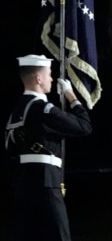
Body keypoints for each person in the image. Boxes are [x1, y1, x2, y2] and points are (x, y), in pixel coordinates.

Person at [5, 54, 93, 241]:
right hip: (46, 183)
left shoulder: (17, 110)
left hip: (21, 182)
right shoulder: (42, 109)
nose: (52, 79)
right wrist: (71, 96)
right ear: (38, 79)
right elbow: (84, 126)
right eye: (49, 74)